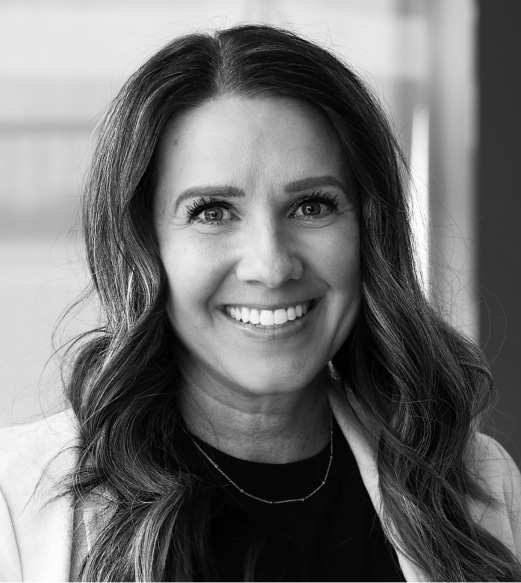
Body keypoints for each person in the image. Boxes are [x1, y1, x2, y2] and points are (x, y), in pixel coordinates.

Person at [0, 24, 520, 582]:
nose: (271, 265)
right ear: (143, 244)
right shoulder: (15, 503)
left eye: (312, 206)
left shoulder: (478, 481)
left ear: (371, 230)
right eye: (212, 212)